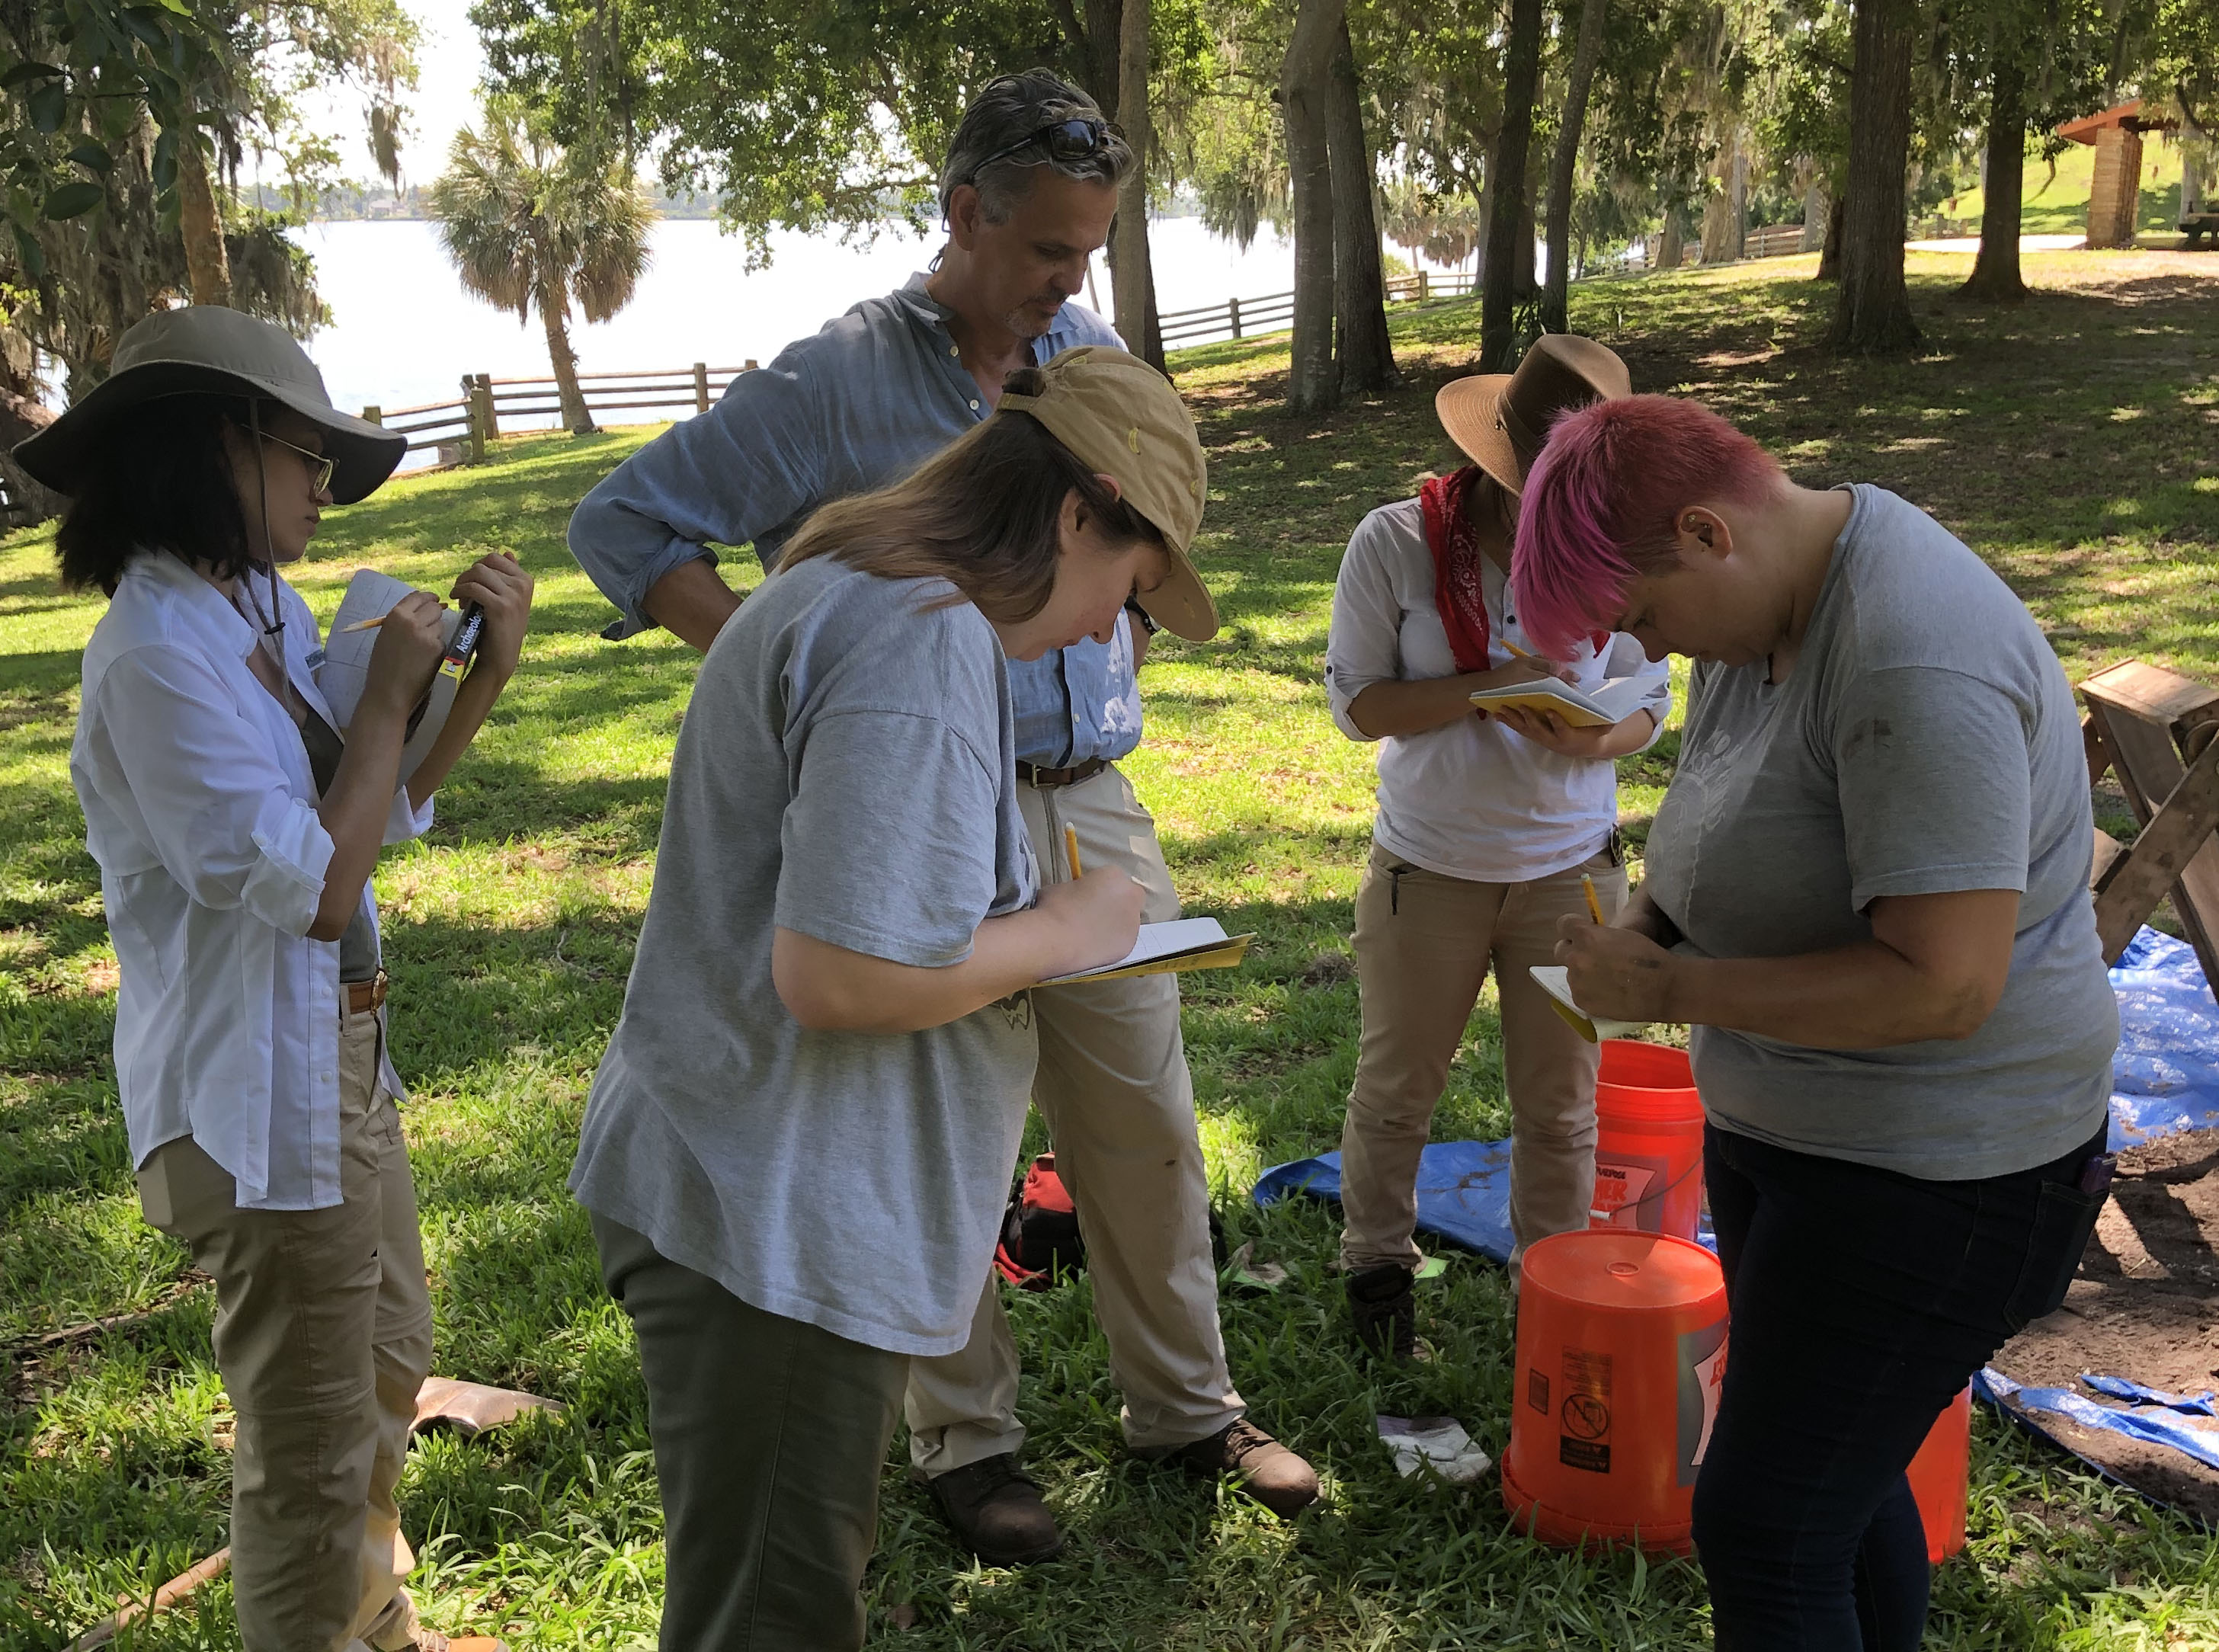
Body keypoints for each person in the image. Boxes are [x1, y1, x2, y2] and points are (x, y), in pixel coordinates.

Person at [565, 69, 1315, 1561]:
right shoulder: (842, 403)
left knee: (1139, 1118)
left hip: (1079, 800)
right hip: (904, 814)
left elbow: (1108, 561)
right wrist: (792, 692)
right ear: (961, 211)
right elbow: (621, 521)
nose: (1070, 284)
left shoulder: (1080, 359)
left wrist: (1108, 662)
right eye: (1048, 250)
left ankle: (1185, 1405)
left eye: (1092, 254)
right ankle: (967, 1438)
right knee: (938, 1122)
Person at [569, 347, 1216, 1650]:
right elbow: (841, 977)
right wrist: (1063, 928)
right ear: (1077, 512)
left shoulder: (859, 591)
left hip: (747, 1183)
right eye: (1126, 589)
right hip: (777, 1226)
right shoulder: (915, 642)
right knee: (773, 1617)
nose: (1109, 633)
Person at [1512, 394, 2118, 1651]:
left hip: (1945, 1177)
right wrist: (1646, 936)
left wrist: (1672, 996)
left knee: (1767, 1525)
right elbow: (1727, 833)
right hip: (1808, 1144)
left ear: (1706, 532)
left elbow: (1943, 985)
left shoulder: (1909, 654)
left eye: (1646, 617)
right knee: (1832, 1488)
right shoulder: (1772, 605)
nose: (1658, 649)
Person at [29, 306, 532, 1652]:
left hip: (341, 1061)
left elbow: (363, 830)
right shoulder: (151, 655)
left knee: (383, 1365)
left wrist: (470, 692)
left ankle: (375, 1625)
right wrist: (378, 706)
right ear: (208, 451)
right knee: (306, 1448)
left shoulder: (253, 605)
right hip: (255, 1109)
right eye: (299, 451)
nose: (321, 481)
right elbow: (314, 893)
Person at [1324, 336, 1669, 1357]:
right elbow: (1360, 703)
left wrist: (1600, 734)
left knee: (1562, 1110)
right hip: (1429, 868)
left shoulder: (1617, 547)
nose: (1554, 521)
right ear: (1496, 464)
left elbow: (1652, 692)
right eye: (1538, 493)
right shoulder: (1395, 542)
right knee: (1396, 1094)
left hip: (1572, 872)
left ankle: (1551, 1299)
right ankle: (1377, 1283)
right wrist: (1485, 689)